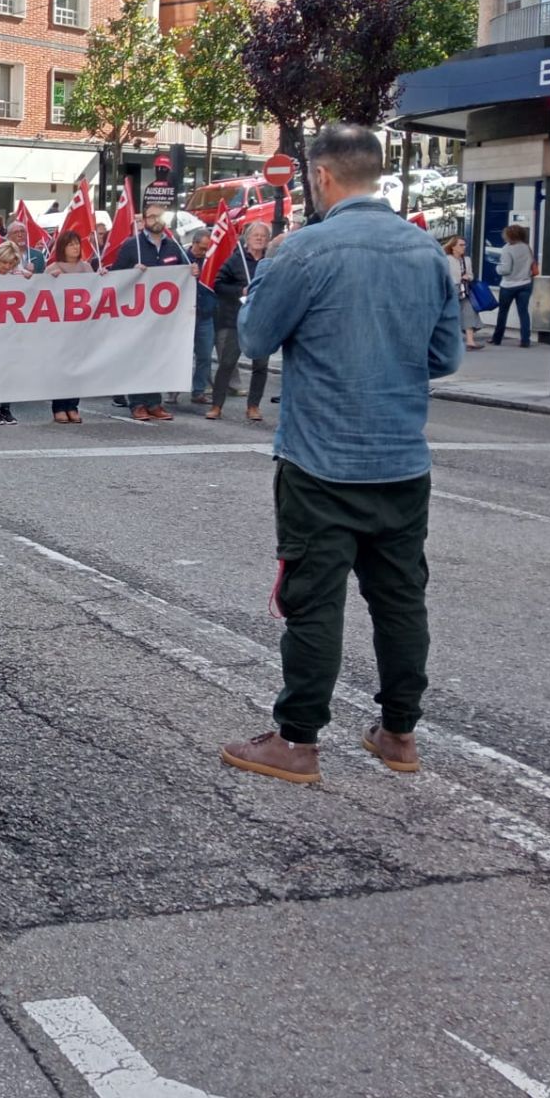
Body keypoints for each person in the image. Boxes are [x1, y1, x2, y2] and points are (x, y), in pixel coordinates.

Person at [221, 123, 463, 787]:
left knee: (315, 601)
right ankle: (399, 733)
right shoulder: (426, 253)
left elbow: (257, 338)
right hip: (401, 461)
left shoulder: (305, 250)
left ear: (323, 177)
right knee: (401, 601)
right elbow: (445, 357)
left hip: (321, 461)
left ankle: (297, 741)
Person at [108, 204, 191, 421]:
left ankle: (154, 402)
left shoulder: (174, 247)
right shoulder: (131, 246)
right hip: (136, 316)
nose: (156, 220)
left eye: (159, 216)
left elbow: (183, 274)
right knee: (138, 359)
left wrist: (192, 272)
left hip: (162, 318)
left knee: (157, 358)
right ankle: (137, 403)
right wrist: (132, 273)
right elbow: (115, 275)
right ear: (144, 221)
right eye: (151, 217)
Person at [204, 221, 274, 422]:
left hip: (262, 320)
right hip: (237, 319)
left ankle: (253, 406)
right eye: (256, 235)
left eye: (263, 236)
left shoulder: (272, 262)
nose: (259, 238)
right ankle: (216, 405)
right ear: (247, 239)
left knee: (260, 365)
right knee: (227, 362)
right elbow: (218, 284)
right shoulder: (235, 260)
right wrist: (239, 291)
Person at [46, 231, 91, 424]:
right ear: (62, 247)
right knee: (61, 368)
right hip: (60, 328)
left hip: (81, 328)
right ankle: (59, 406)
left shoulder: (87, 267)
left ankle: (73, 405)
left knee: (78, 367)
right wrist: (51, 280)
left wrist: (103, 276)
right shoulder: (53, 268)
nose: (75, 247)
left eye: (77, 244)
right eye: (71, 244)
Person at [0, 241, 28, 425]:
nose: (7, 267)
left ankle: (6, 408)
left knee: (9, 370)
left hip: (11, 330)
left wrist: (28, 275)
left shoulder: (18, 276)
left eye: (11, 264)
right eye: (4, 263)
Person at [491, 223, 535, 347]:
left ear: (508, 236)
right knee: (523, 312)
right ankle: (525, 340)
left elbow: (505, 269)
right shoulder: (526, 247)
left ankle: (497, 338)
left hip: (508, 285)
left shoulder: (507, 249)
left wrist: (497, 268)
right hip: (525, 283)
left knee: (503, 312)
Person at [442, 235, 484, 350]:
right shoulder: (446, 259)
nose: (464, 247)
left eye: (465, 245)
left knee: (469, 312)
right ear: (453, 247)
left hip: (464, 290)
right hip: (450, 289)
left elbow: (471, 275)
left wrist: (468, 277)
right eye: (461, 245)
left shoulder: (467, 260)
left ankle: (470, 342)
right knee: (450, 315)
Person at [189, 229, 216, 403]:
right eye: (202, 247)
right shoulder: (181, 257)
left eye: (208, 248)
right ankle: (174, 388)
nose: (204, 251)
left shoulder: (212, 260)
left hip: (205, 313)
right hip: (185, 315)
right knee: (180, 354)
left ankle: (198, 390)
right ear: (194, 243)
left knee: (205, 355)